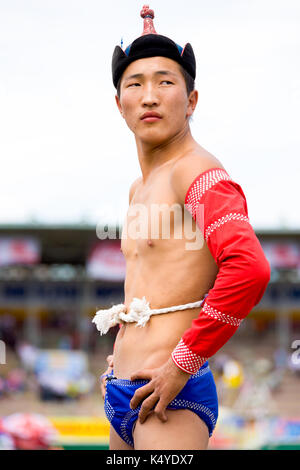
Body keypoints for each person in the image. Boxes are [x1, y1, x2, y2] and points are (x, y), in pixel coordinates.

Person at [93, 5, 271, 450]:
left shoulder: (193, 170)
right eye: (135, 84)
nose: (149, 96)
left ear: (191, 100)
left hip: (171, 396)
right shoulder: (139, 188)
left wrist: (181, 364)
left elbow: (249, 269)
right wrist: (120, 356)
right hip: (125, 392)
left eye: (166, 82)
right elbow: (153, 289)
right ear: (120, 105)